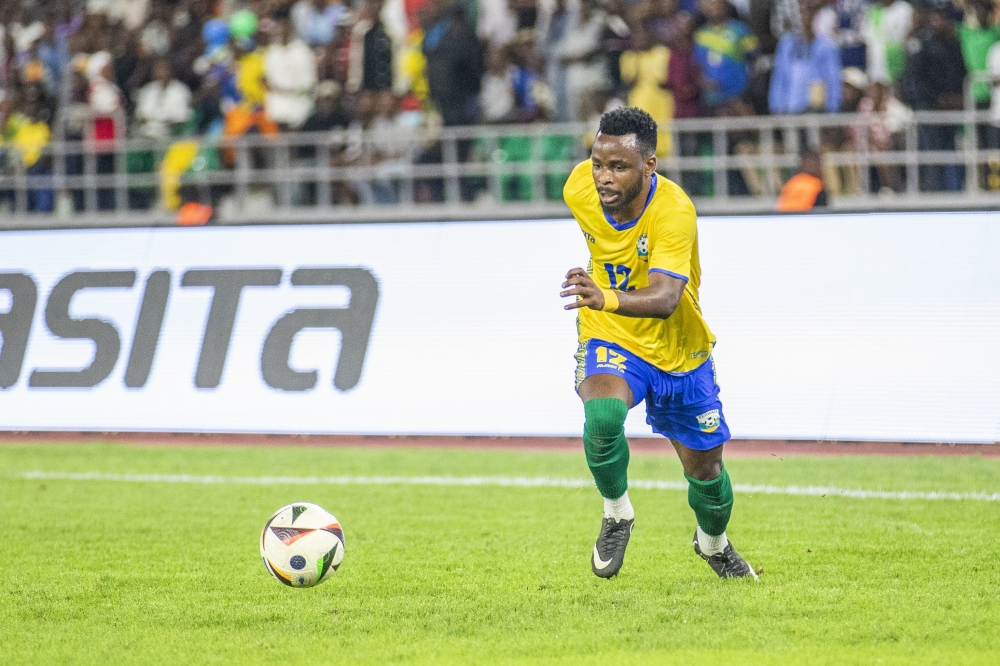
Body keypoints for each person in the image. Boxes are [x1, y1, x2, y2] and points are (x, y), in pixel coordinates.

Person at [559, 106, 756, 581]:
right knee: (602, 416)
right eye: (597, 163)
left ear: (649, 166)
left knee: (707, 474)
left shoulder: (674, 210)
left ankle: (713, 543)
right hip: (612, 332)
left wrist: (603, 294)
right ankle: (617, 512)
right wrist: (601, 303)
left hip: (679, 349)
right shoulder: (578, 188)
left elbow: (667, 299)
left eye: (618, 167)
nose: (603, 177)